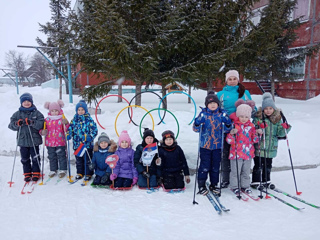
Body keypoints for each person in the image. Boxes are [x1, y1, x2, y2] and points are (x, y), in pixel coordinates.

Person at [217, 69, 254, 188]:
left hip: (242, 127)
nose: (232, 81)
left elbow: (251, 108)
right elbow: (216, 109)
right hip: (226, 126)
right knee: (226, 153)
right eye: (230, 79)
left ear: (238, 80)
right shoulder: (221, 94)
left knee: (240, 152)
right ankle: (226, 178)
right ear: (226, 80)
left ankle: (242, 179)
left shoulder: (245, 92)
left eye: (234, 79)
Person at [193, 91, 232, 195]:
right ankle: (201, 184)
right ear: (207, 105)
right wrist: (197, 122)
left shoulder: (221, 114)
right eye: (210, 103)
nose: (213, 105)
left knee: (215, 167)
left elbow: (228, 129)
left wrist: (227, 121)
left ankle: (214, 184)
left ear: (218, 104)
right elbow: (196, 129)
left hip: (217, 146)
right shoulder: (203, 114)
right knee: (204, 166)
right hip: (205, 146)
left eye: (215, 103)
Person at [251, 92, 292, 188]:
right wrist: (259, 128)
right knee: (258, 165)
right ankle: (256, 181)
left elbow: (280, 133)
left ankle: (266, 181)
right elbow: (253, 130)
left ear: (274, 109)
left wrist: (285, 128)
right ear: (263, 109)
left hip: (271, 147)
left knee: (268, 166)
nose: (268, 111)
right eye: (266, 109)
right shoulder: (258, 118)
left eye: (270, 108)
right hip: (260, 147)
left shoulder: (277, 119)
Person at [8, 93, 44, 182]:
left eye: (28, 101)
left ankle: (36, 172)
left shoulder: (37, 113)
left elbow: (41, 124)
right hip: (23, 140)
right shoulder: (17, 114)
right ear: (21, 103)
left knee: (35, 157)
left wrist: (32, 122)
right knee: (25, 158)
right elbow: (11, 125)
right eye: (24, 101)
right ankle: (27, 173)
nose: (27, 103)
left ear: (31, 102)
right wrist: (17, 124)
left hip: (34, 140)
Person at [226, 99, 259, 195]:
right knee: (235, 172)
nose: (244, 119)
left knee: (246, 172)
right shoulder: (234, 126)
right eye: (241, 116)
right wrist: (231, 134)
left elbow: (255, 140)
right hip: (236, 154)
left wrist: (257, 134)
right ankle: (234, 186)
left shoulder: (251, 126)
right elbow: (229, 141)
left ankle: (245, 186)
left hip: (248, 154)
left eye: (246, 117)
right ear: (238, 116)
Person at [66, 100, 98, 181]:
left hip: (87, 145)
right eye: (79, 110)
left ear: (85, 110)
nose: (80, 111)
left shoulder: (89, 119)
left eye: (82, 110)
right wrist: (69, 134)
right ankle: (80, 172)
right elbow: (70, 128)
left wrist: (89, 137)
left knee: (87, 160)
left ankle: (88, 173)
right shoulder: (74, 120)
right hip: (77, 144)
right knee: (79, 160)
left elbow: (95, 130)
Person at [40, 100, 69, 178]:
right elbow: (42, 129)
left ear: (59, 110)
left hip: (60, 142)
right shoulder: (47, 120)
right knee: (52, 156)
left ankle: (63, 169)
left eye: (56, 111)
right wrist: (43, 132)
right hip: (50, 142)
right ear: (50, 111)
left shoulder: (61, 119)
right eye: (52, 111)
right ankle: (53, 169)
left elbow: (67, 128)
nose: (54, 112)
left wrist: (66, 123)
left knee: (61, 155)